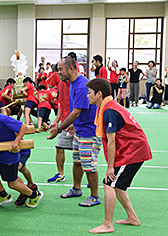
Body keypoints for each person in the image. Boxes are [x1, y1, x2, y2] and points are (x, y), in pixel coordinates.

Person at [86, 78, 152, 234]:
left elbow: (111, 140)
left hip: (132, 151)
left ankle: (108, 224)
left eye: (89, 93)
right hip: (132, 149)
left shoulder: (109, 110)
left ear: (99, 94)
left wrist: (110, 167)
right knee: (118, 186)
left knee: (109, 183)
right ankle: (132, 218)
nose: (87, 96)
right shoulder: (107, 106)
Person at [48, 56, 102, 207]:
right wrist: (74, 125)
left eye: (60, 69)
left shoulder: (81, 85)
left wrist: (59, 128)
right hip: (80, 130)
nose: (58, 72)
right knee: (77, 161)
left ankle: (94, 196)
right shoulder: (72, 83)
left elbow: (76, 112)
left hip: (90, 132)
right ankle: (77, 188)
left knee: (88, 164)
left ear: (70, 68)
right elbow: (80, 111)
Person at [0, 96, 43, 208]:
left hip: (8, 157)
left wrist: (16, 142)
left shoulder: (3, 119)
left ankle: (34, 195)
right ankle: (3, 195)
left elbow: (23, 127)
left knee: (12, 184)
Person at [46, 71, 73, 183]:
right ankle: (60, 174)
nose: (59, 73)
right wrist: (56, 121)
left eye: (61, 70)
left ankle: (92, 178)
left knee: (83, 153)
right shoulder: (61, 84)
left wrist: (74, 122)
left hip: (77, 124)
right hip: (64, 124)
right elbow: (61, 104)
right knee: (59, 147)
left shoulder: (76, 84)